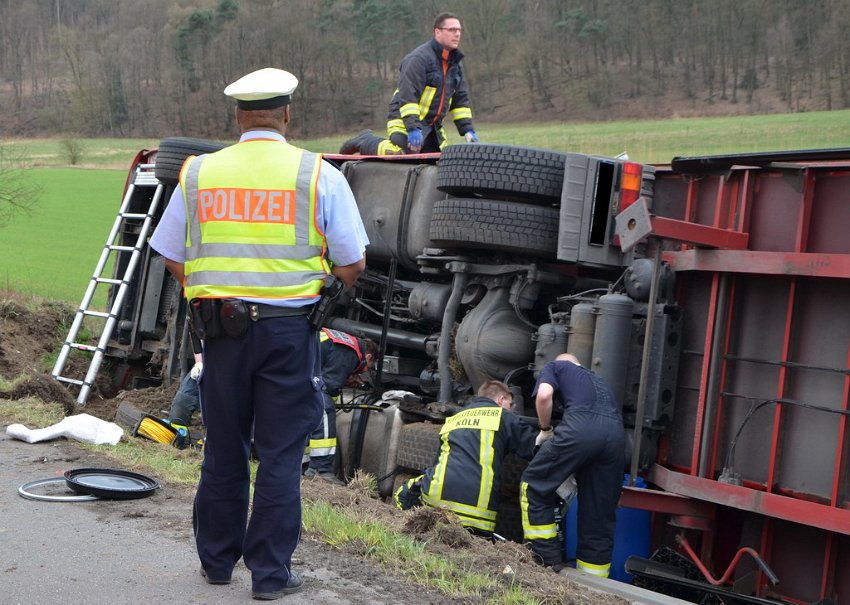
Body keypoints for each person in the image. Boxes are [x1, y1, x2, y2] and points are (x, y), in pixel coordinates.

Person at [148, 67, 368, 600]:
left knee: (223, 449)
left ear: (238, 117)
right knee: (279, 456)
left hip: (220, 334)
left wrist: (210, 293)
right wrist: (316, 296)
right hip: (289, 335)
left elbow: (171, 253)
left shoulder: (200, 172)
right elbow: (352, 261)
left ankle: (217, 565)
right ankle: (270, 577)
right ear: (287, 114)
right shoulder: (317, 173)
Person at [519, 353, 626, 578]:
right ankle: (594, 584)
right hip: (617, 437)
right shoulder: (599, 381)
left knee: (534, 484)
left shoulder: (557, 366)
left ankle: (544, 563)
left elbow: (545, 395)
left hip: (582, 428)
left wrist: (545, 429)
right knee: (599, 511)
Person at [393, 380, 537, 536]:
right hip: (476, 516)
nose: (511, 409)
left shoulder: (455, 417)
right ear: (501, 400)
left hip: (434, 506)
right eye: (510, 404)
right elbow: (535, 448)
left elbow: (438, 462)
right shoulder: (504, 417)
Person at [339, 12, 478, 156]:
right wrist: (412, 128)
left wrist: (467, 129)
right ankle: (364, 141)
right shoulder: (418, 59)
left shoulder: (455, 65)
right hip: (403, 119)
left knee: (438, 159)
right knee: (399, 153)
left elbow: (460, 101)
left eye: (459, 30)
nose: (457, 34)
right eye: (452, 30)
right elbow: (408, 94)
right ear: (437, 32)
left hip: (432, 127)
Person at [304, 328, 378, 484]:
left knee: (306, 418)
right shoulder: (350, 351)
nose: (365, 370)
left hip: (297, 370)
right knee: (324, 408)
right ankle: (320, 470)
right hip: (305, 374)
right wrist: (340, 383)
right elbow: (327, 387)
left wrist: (343, 379)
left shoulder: (345, 342)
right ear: (369, 357)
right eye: (369, 366)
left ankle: (303, 466)